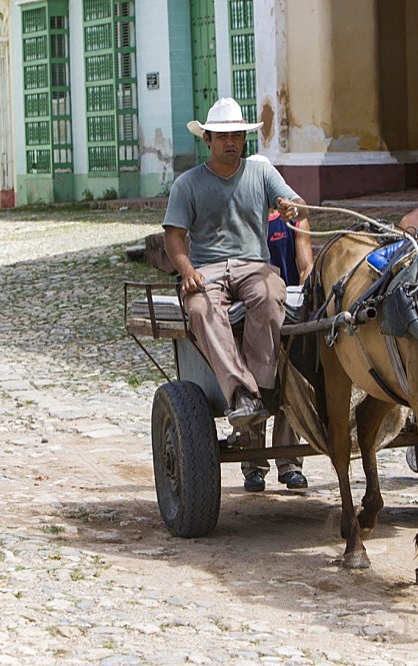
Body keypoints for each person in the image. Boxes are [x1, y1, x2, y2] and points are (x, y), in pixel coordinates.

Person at [162, 99, 308, 490]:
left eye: (237, 136)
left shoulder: (261, 173)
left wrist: (290, 211)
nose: (231, 142)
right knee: (199, 306)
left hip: (253, 264)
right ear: (207, 139)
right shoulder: (188, 184)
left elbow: (295, 206)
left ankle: (256, 392)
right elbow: (174, 236)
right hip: (208, 268)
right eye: (223, 136)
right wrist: (188, 271)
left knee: (270, 292)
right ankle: (242, 394)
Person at [237, 154, 313, 492]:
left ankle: (289, 463)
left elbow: (305, 261)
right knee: (255, 380)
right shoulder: (240, 217)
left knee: (290, 380)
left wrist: (304, 292)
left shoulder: (293, 218)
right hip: (252, 308)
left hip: (289, 304)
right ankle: (253, 465)